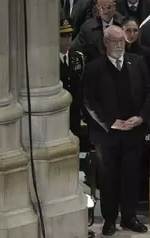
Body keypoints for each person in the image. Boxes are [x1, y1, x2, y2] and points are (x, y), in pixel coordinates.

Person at [82, 25, 150, 235]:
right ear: (106, 43)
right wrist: (110, 122)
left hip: (133, 130)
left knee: (131, 175)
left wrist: (140, 117)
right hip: (107, 134)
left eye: (122, 40)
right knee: (109, 177)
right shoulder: (95, 68)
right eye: (115, 41)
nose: (120, 44)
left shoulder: (137, 62)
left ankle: (129, 217)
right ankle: (110, 219)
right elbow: (88, 100)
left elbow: (149, 91)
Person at [59, 19, 88, 152]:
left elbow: (81, 84)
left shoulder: (78, 57)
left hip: (74, 110)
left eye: (70, 35)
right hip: (59, 110)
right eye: (63, 36)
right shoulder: (50, 60)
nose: (68, 40)